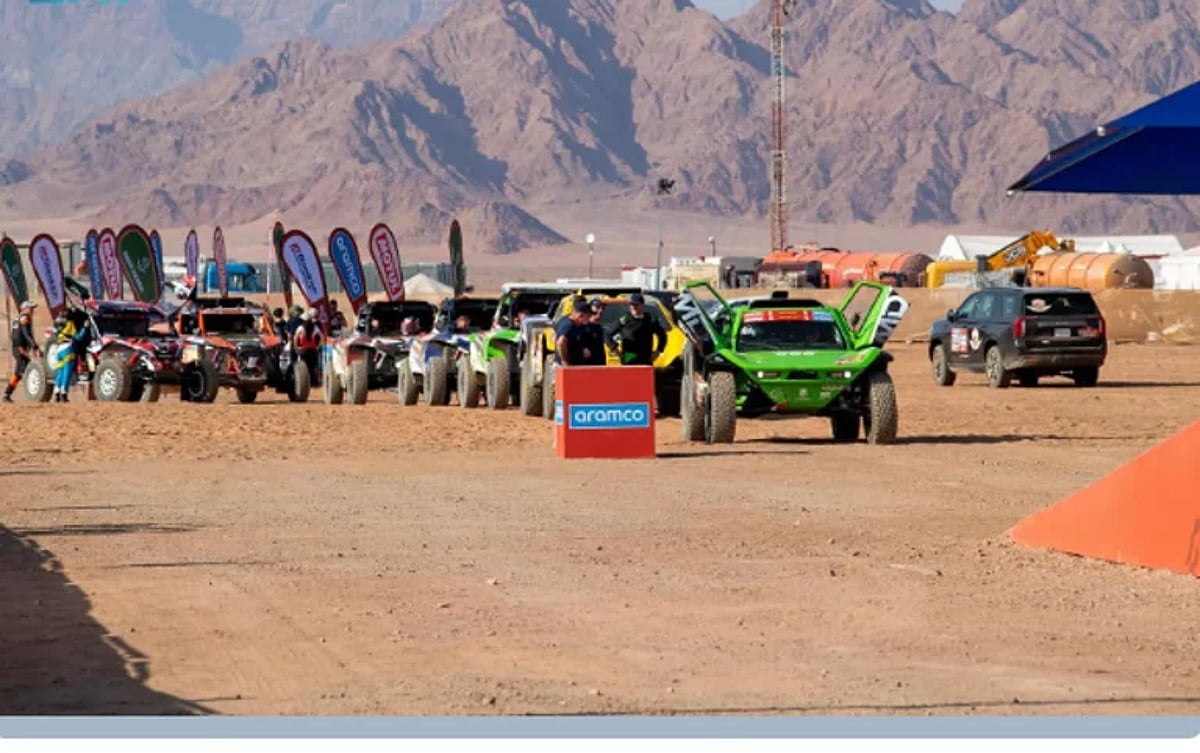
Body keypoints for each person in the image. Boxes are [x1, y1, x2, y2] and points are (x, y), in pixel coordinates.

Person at [606, 293, 666, 366]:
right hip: (629, 357)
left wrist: (658, 351)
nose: (633, 307)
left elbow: (662, 335)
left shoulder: (650, 319)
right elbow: (608, 334)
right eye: (631, 304)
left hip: (645, 357)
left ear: (642, 305)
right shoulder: (626, 318)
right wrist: (614, 348)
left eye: (636, 305)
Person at [5, 301, 41, 403]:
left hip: (17, 347)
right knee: (20, 371)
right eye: (30, 308)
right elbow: (26, 334)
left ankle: (8, 394)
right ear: (24, 308)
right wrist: (34, 346)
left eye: (33, 308)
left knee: (24, 369)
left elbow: (14, 335)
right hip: (20, 348)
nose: (32, 310)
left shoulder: (17, 318)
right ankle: (7, 394)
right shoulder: (25, 318)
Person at [292, 309, 323, 377]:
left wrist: (296, 347)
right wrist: (318, 346)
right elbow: (322, 337)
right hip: (313, 349)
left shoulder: (300, 328)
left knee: (304, 367)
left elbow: (295, 338)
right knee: (313, 366)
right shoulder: (315, 327)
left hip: (303, 349)